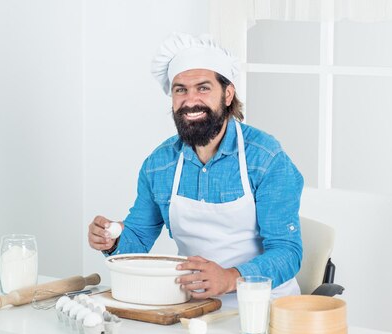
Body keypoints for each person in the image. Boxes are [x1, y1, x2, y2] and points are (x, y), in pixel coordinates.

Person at [88, 33, 303, 300]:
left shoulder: (265, 159)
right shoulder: (160, 165)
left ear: (227, 94)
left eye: (203, 88)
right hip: (193, 306)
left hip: (265, 307)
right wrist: (113, 239)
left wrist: (229, 278)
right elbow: (138, 238)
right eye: (181, 90)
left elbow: (287, 251)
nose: (190, 101)